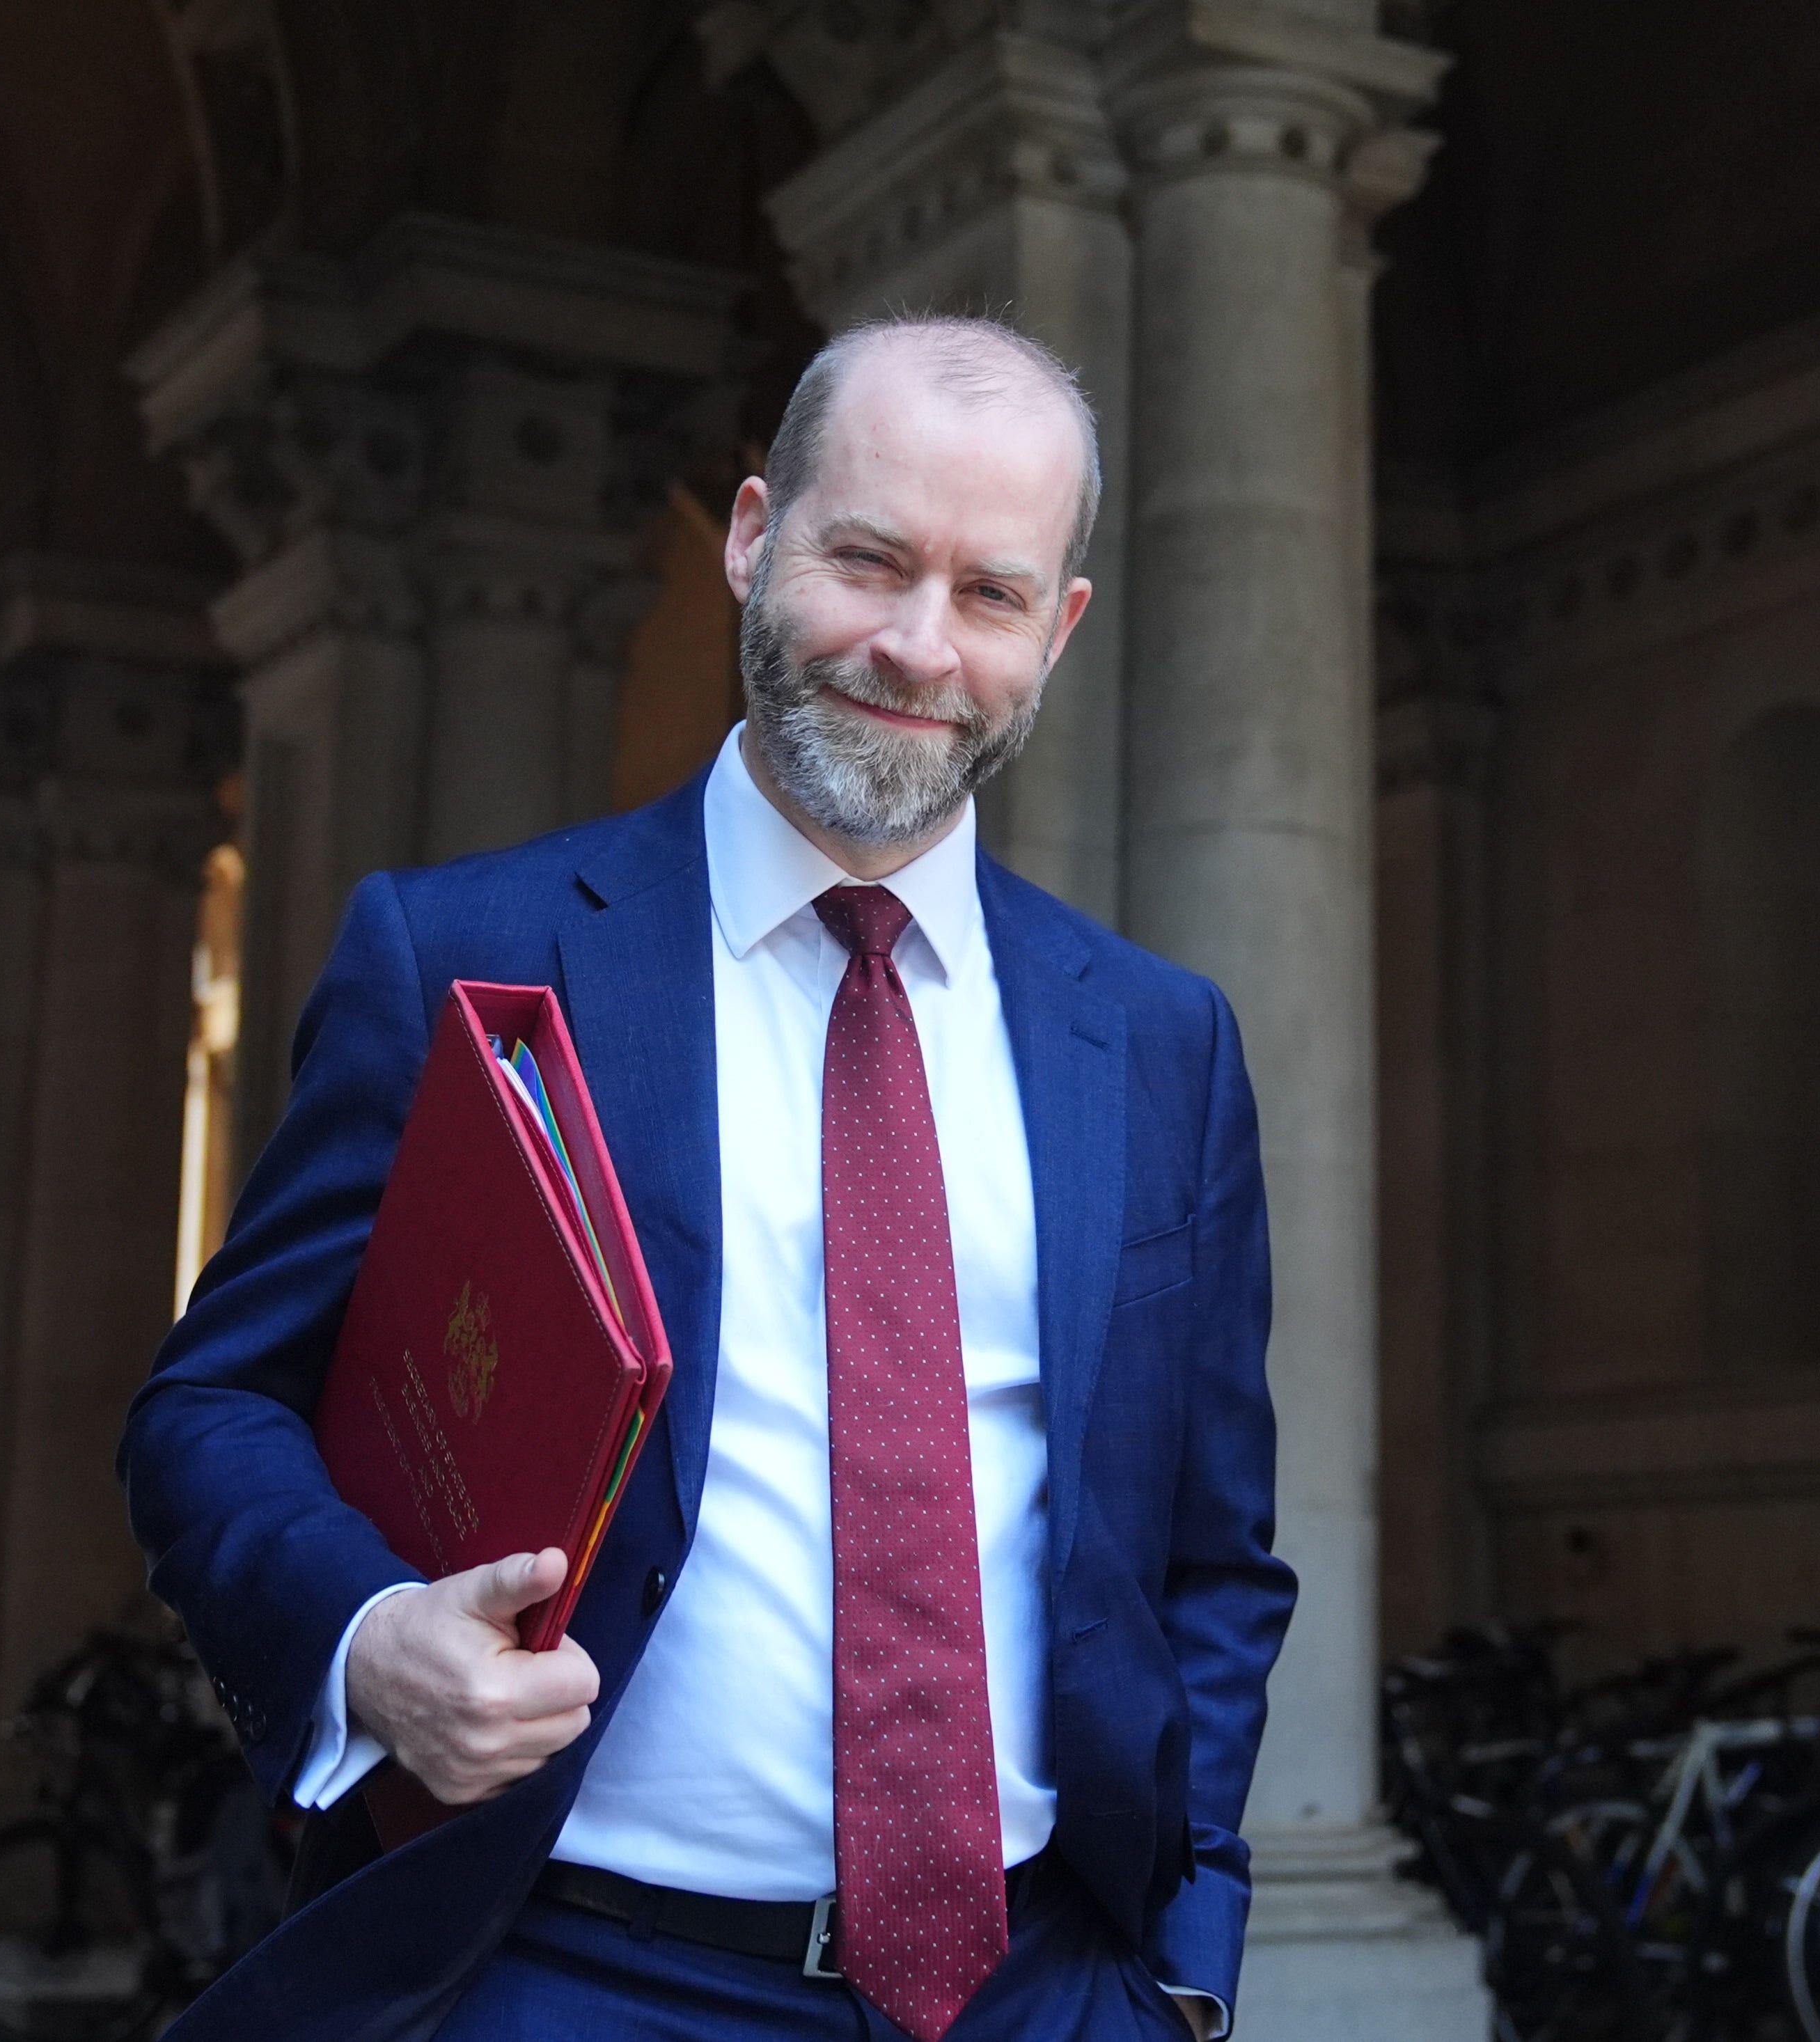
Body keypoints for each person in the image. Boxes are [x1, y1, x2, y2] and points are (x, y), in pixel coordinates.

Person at [121, 315, 1293, 2041]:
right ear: (754, 536)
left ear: (1058, 632)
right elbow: (213, 1401)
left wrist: (1181, 1971)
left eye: (986, 595)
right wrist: (363, 1639)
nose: (914, 646)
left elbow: (1212, 1553)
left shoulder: (1163, 1043)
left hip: (1045, 1995)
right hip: (574, 1974)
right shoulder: (458, 955)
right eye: (867, 559)